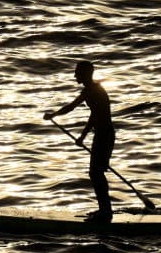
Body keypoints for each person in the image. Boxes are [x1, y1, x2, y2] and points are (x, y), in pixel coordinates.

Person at [44, 61, 116, 221]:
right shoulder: (91, 90)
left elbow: (74, 108)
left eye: (77, 72)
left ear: (85, 74)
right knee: (95, 172)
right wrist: (83, 136)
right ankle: (104, 210)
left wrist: (53, 115)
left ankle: (105, 212)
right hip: (102, 134)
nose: (75, 75)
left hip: (105, 135)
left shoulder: (93, 91)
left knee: (96, 172)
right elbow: (92, 114)